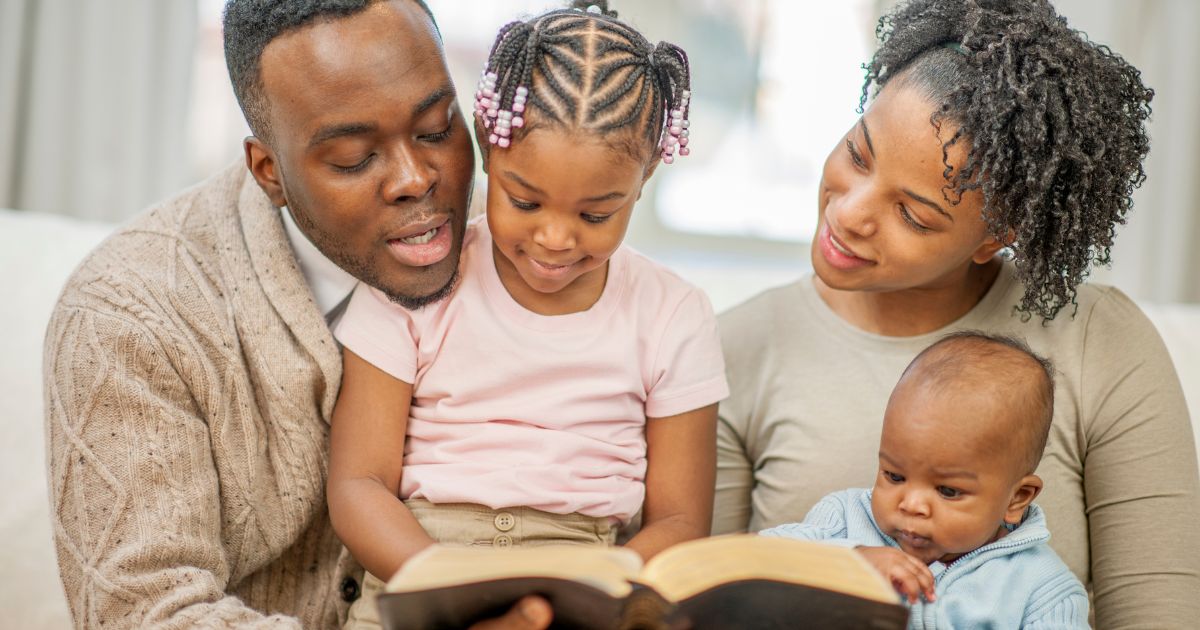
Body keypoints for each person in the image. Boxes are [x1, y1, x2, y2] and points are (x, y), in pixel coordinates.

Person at [42, 0, 548, 627]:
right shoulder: (132, 315)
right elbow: (141, 611)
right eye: (354, 159)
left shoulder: (530, 250)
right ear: (269, 171)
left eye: (437, 129)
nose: (417, 179)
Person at [714, 0, 1200, 626]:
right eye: (858, 154)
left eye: (913, 214)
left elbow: (1160, 612)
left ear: (995, 236)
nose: (850, 213)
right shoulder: (740, 345)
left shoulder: (1100, 342)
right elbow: (706, 592)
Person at [327, 2, 726, 626]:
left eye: (596, 215)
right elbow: (358, 487)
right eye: (525, 200)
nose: (556, 239)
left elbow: (679, 521)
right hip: (420, 567)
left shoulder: (675, 314)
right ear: (489, 146)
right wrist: (450, 586)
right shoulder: (417, 280)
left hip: (588, 581)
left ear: (645, 176)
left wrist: (586, 594)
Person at [764, 332, 1088, 628]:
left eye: (948, 491)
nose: (911, 504)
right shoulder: (844, 518)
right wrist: (852, 559)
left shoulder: (1042, 589)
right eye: (894, 475)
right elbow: (753, 561)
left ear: (1017, 498)